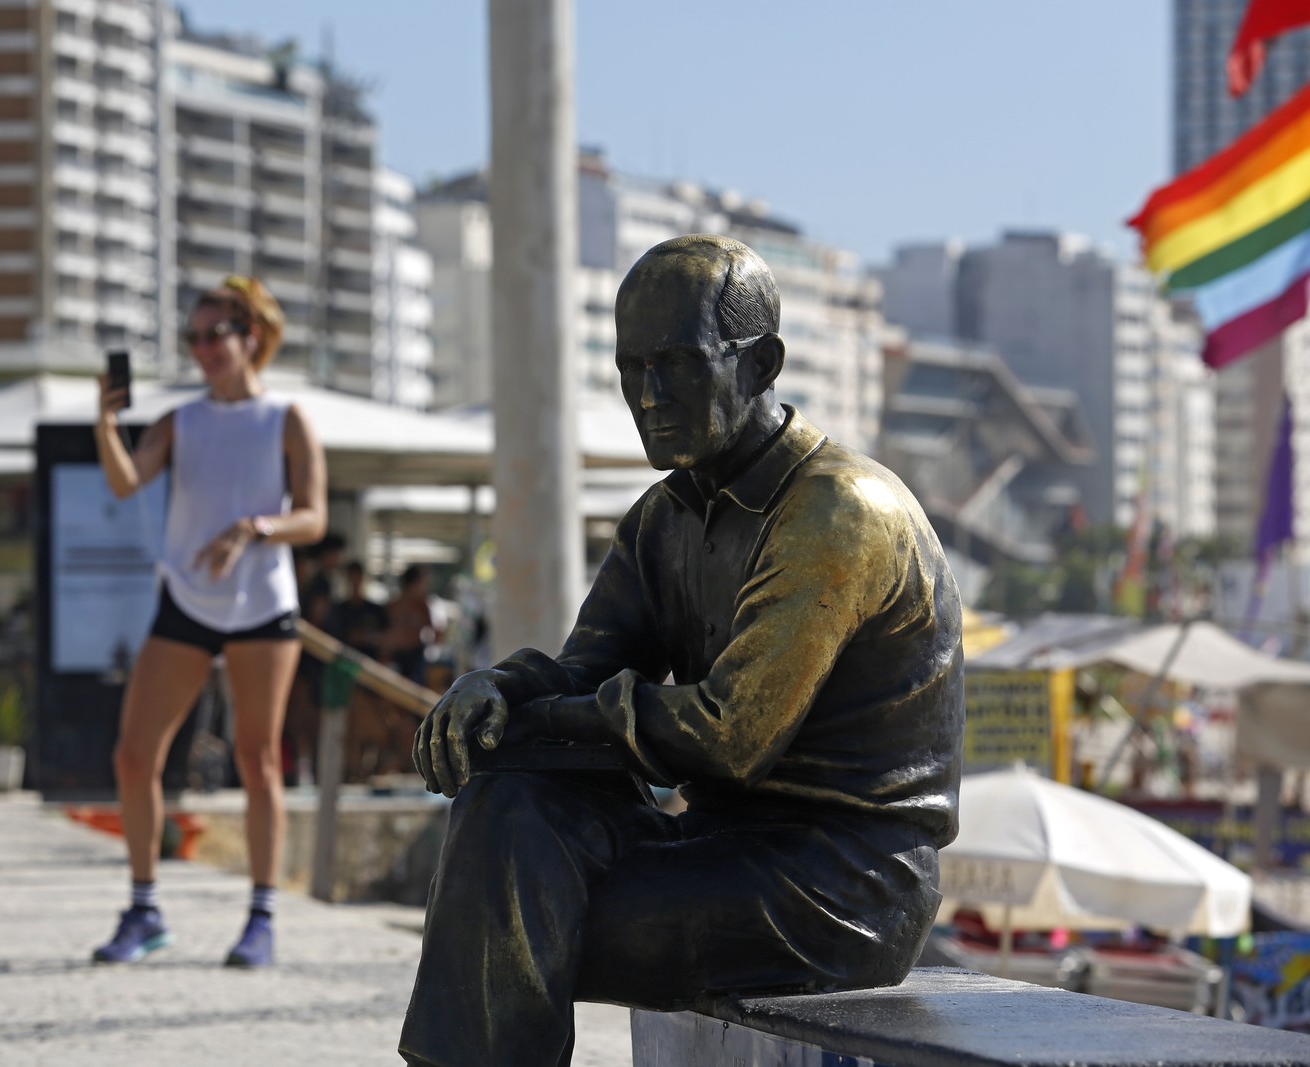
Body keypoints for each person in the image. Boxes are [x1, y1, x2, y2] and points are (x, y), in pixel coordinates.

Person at [401, 235, 964, 1066]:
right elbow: (585, 667)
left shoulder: (839, 512)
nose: (648, 395)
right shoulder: (665, 517)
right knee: (503, 799)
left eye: (677, 364)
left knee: (504, 915)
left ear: (761, 362)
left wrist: (542, 715)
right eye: (632, 369)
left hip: (841, 887)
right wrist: (502, 689)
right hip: (717, 848)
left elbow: (732, 734)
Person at [91, 274, 327, 968]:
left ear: (250, 337)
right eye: (193, 337)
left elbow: (313, 517)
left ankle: (260, 917)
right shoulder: (180, 420)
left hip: (262, 603)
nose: (202, 348)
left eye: (215, 333)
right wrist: (106, 424)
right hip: (187, 598)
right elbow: (125, 482)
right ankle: (143, 907)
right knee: (134, 755)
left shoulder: (286, 417)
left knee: (258, 759)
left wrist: (251, 527)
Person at [383, 564, 437, 685]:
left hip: (413, 657)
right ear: (416, 583)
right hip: (395, 657)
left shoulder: (422, 607)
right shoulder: (394, 606)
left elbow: (436, 636)